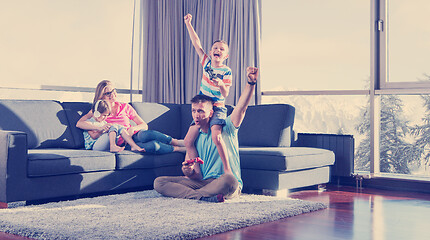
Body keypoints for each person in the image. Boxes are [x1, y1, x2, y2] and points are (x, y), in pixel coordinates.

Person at [154, 67, 259, 202]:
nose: (196, 115)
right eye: (194, 111)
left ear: (211, 113)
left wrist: (251, 83)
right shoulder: (193, 138)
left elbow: (242, 108)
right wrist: (188, 171)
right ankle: (202, 197)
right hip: (203, 182)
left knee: (229, 179)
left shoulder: (226, 127)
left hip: (224, 182)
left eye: (201, 111)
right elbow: (195, 176)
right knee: (159, 182)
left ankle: (195, 195)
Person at [183, 13, 233, 177]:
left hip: (217, 107)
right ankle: (198, 173)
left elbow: (226, 93)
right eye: (215, 48)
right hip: (202, 106)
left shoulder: (226, 71)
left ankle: (227, 170)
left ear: (225, 56)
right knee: (188, 141)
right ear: (211, 52)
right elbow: (196, 43)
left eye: (221, 49)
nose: (218, 50)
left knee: (216, 137)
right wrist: (189, 24)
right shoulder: (206, 62)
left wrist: (220, 85)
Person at [77, 80, 185, 154]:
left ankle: (175, 141)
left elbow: (144, 125)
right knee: (153, 146)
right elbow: (80, 123)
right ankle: (177, 149)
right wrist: (98, 128)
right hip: (123, 143)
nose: (112, 95)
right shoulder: (99, 110)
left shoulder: (125, 107)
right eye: (107, 93)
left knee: (147, 135)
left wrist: (133, 128)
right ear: (101, 96)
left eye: (113, 91)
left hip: (133, 135)